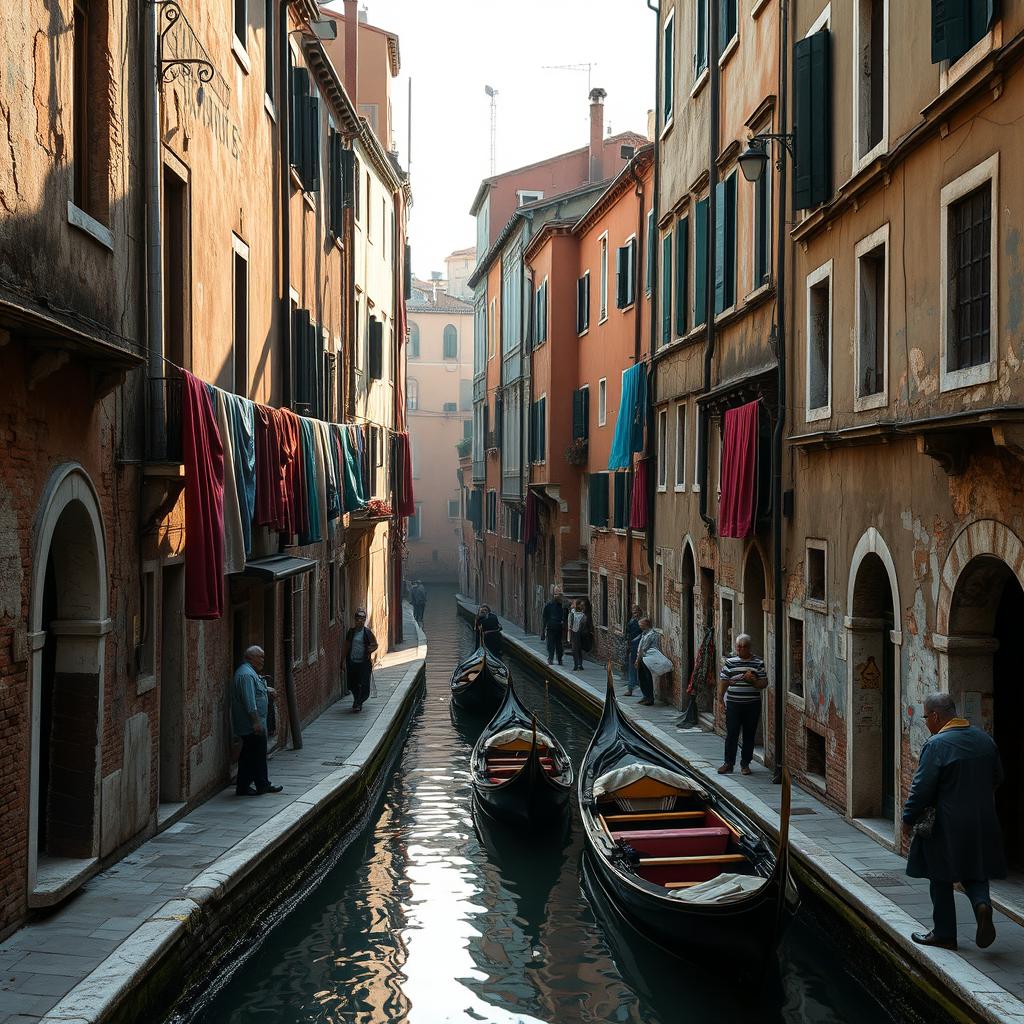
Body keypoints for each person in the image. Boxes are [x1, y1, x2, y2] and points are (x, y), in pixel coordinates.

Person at [902, 692, 1006, 951]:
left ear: (936, 716)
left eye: (926, 717)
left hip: (946, 822)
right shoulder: (984, 740)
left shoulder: (936, 745)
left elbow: (921, 788)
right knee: (976, 867)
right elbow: (998, 777)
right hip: (982, 819)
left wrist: (908, 819)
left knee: (940, 874)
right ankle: (982, 904)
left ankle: (945, 933)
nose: (926, 722)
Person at [231, 646, 283, 796]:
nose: (262, 660)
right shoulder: (246, 675)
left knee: (256, 755)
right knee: (251, 756)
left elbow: (254, 692)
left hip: (255, 724)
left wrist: (266, 690)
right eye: (260, 657)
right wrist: (255, 722)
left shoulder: (250, 673)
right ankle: (245, 787)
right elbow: (249, 701)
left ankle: (261, 784)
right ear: (250, 658)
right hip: (251, 725)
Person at [717, 634, 768, 776]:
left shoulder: (758, 662)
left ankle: (745, 764)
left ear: (749, 648)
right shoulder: (730, 662)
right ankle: (728, 763)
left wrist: (752, 681)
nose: (740, 649)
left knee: (749, 734)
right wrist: (720, 700)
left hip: (752, 705)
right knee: (731, 733)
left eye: (743, 647)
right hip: (733, 704)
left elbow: (763, 683)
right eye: (738, 646)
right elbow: (723, 681)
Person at [342, 609, 378, 713]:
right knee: (353, 684)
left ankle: (358, 702)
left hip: (364, 664)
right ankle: (357, 700)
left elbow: (375, 645)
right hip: (352, 662)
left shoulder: (367, 633)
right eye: (358, 619)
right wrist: (342, 661)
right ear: (355, 620)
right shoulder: (351, 632)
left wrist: (369, 650)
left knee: (363, 684)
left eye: (362, 619)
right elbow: (346, 646)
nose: (360, 621)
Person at [634, 617, 660, 706]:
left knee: (647, 678)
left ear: (646, 625)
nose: (639, 626)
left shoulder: (652, 634)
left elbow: (643, 648)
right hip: (642, 658)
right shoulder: (644, 634)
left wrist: (637, 659)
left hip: (647, 659)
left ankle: (649, 698)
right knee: (641, 678)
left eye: (641, 625)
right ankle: (645, 696)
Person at [541, 589, 566, 665]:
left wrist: (543, 631)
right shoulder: (561, 606)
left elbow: (545, 618)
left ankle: (553, 658)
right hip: (555, 627)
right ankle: (557, 659)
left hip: (554, 627)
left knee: (553, 644)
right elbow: (545, 618)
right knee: (556, 644)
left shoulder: (552, 606)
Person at [624, 605, 643, 696]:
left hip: (641, 646)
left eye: (637, 612)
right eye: (634, 612)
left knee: (640, 667)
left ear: (640, 612)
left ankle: (638, 688)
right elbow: (628, 634)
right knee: (632, 666)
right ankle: (630, 688)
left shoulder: (642, 622)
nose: (635, 614)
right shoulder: (631, 622)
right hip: (633, 645)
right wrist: (628, 645)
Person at [568, 599, 590, 671]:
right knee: (575, 650)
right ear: (578, 605)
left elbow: (586, 623)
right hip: (575, 633)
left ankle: (580, 664)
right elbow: (570, 624)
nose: (582, 606)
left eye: (583, 605)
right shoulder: (573, 614)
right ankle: (576, 664)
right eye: (581, 605)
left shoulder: (583, 615)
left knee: (580, 649)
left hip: (581, 633)